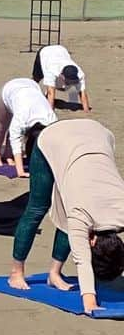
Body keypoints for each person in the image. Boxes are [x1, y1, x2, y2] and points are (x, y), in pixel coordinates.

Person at [9, 119, 124, 313]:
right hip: (53, 138)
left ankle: (54, 274)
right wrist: (90, 303)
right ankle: (16, 273)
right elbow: (82, 261)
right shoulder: (81, 215)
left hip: (99, 134)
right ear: (92, 241)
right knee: (38, 207)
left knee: (70, 208)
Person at [0, 78, 57, 178]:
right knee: (2, 127)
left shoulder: (51, 119)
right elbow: (15, 140)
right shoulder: (22, 119)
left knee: (14, 129)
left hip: (32, 86)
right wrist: (20, 171)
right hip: (10, 89)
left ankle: (8, 154)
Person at [32, 44, 91, 111]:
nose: (71, 84)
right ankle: (31, 94)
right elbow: (51, 92)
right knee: (36, 78)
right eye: (69, 81)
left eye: (73, 81)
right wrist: (50, 111)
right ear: (62, 75)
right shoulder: (51, 70)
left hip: (61, 49)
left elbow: (83, 93)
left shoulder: (80, 74)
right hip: (45, 52)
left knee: (61, 87)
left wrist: (86, 110)